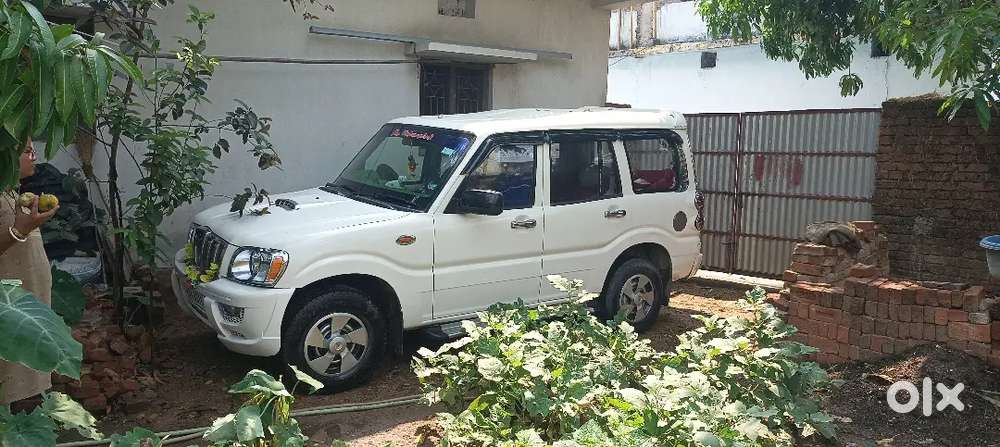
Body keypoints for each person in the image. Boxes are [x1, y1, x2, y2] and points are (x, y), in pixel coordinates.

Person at [0, 138, 60, 410]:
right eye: (26, 151)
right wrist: (18, 231)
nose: (34, 155)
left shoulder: (10, 193)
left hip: (24, 312)